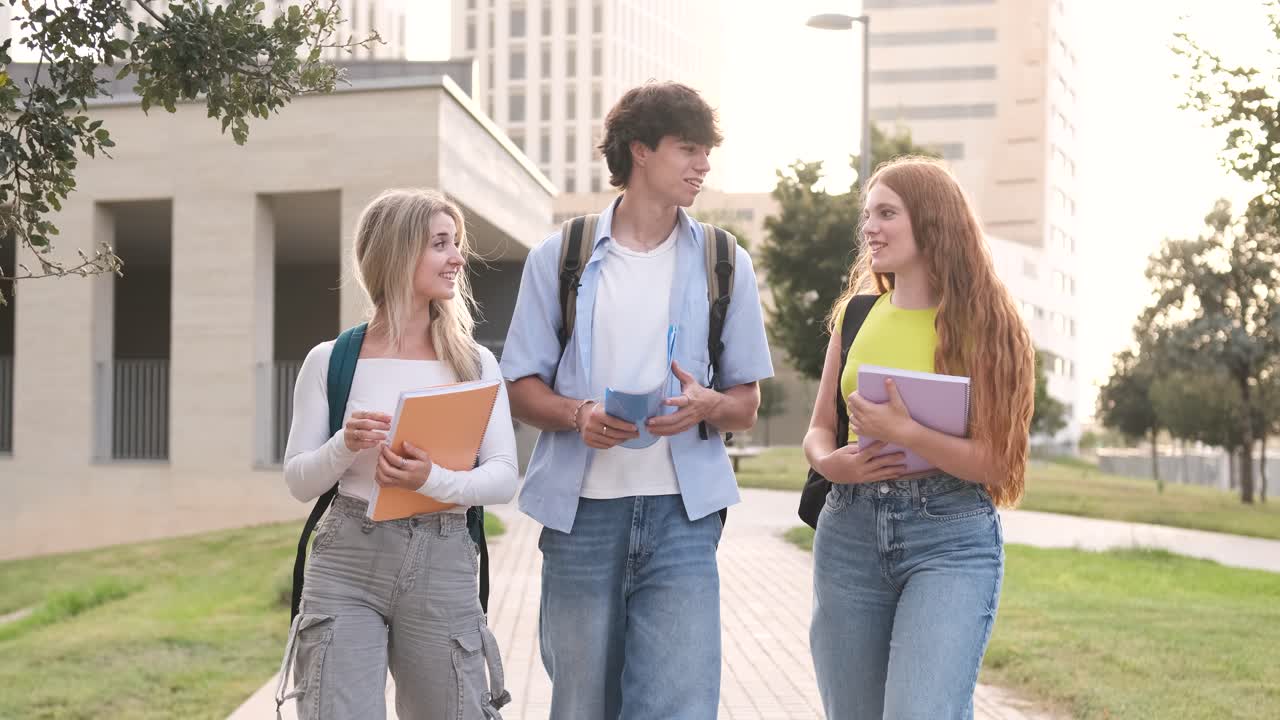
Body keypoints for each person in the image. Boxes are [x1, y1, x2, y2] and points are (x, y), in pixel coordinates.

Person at [499, 82, 774, 719]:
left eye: (707, 150)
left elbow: (746, 402)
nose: (703, 164)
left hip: (684, 517)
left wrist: (707, 405)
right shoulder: (560, 257)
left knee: (677, 705)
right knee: (582, 706)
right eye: (688, 148)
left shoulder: (724, 262)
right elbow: (520, 387)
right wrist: (578, 415)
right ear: (641, 151)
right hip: (582, 519)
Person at [804, 156, 1035, 719]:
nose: (869, 228)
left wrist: (906, 432)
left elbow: (998, 463)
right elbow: (819, 429)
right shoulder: (857, 315)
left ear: (932, 221)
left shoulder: (988, 324)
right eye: (868, 215)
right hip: (849, 531)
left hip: (949, 537)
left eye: (886, 213)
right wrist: (830, 464)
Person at [276, 188, 517, 719]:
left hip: (444, 555)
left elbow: (503, 478)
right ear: (396, 252)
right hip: (346, 560)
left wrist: (432, 479)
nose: (457, 258)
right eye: (440, 244)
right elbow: (298, 481)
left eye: (456, 244)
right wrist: (344, 445)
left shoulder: (473, 363)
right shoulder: (330, 360)